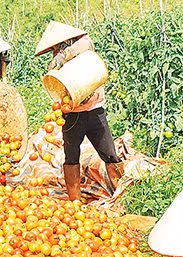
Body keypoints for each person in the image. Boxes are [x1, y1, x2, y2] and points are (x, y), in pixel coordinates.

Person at [35, 21, 121, 201]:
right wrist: (58, 62)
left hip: (95, 110)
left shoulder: (83, 43)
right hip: (72, 114)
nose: (57, 48)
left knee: (110, 153)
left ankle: (121, 194)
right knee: (71, 155)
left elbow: (85, 44)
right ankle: (75, 200)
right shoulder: (55, 60)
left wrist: (65, 55)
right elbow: (55, 82)